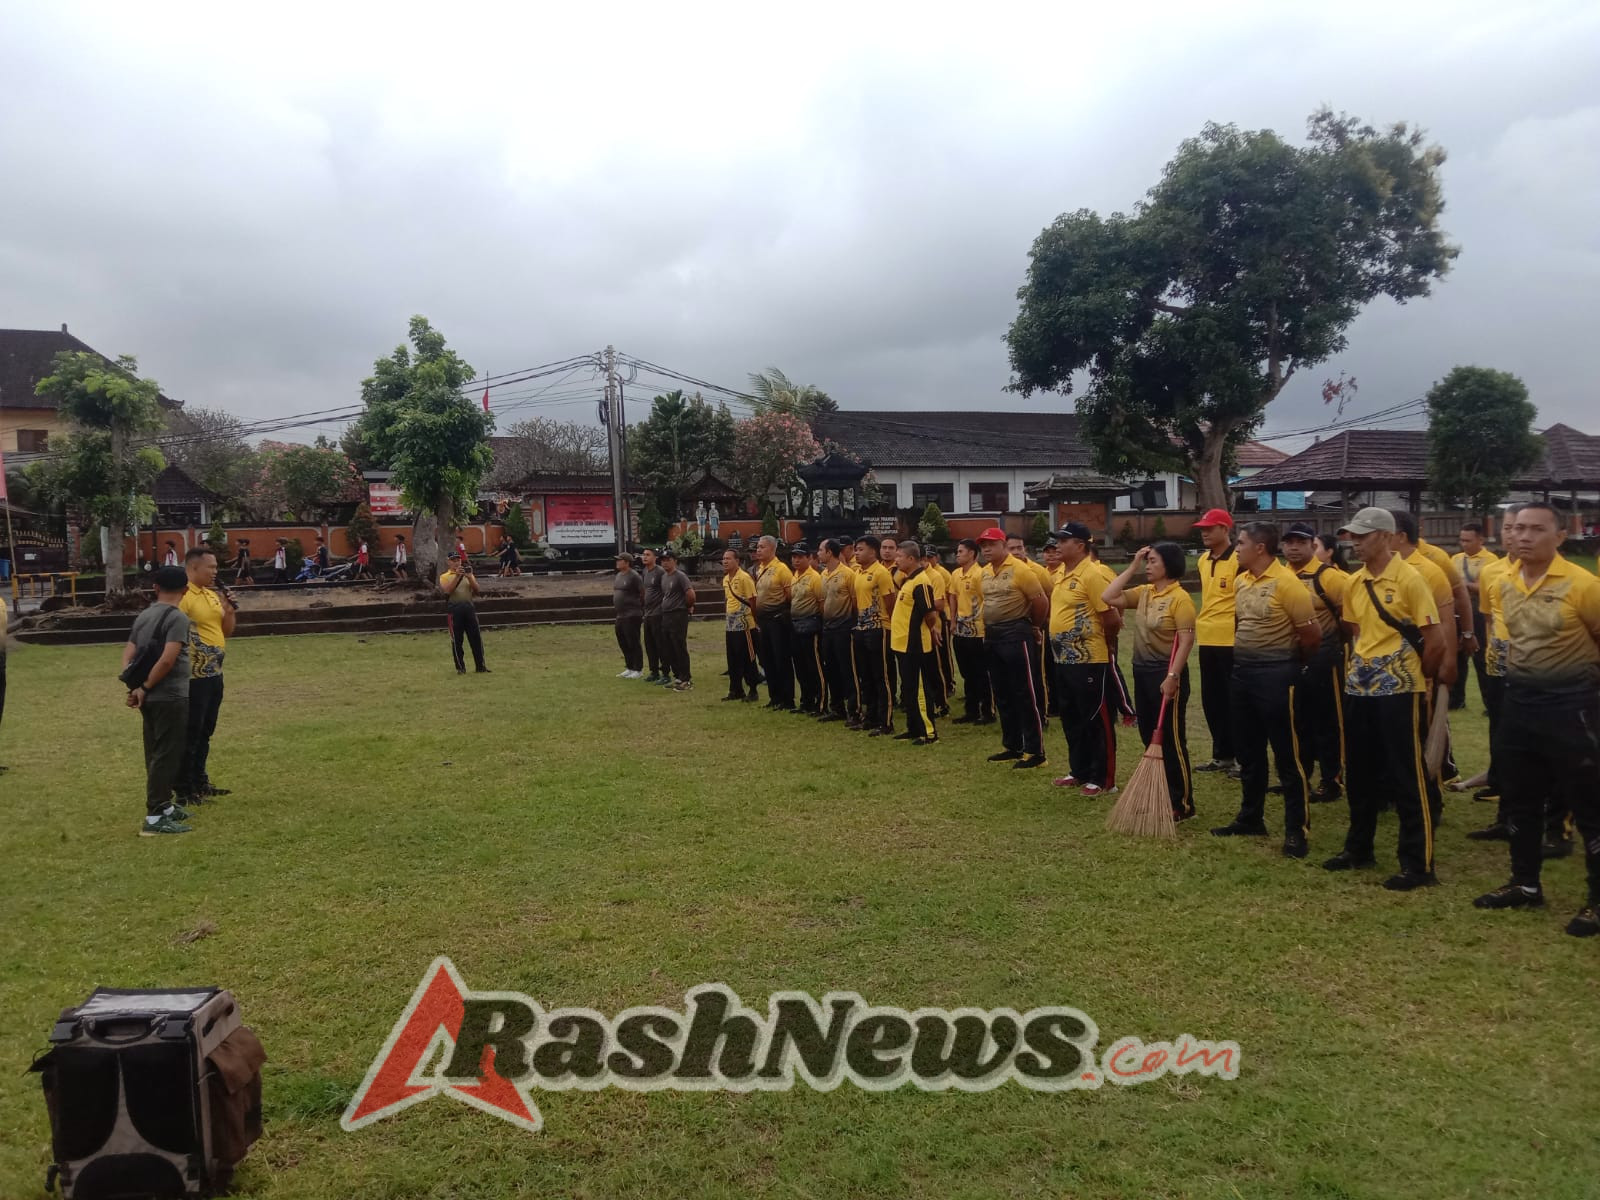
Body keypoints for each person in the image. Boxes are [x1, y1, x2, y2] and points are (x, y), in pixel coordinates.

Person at [1472, 502, 1600, 934]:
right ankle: (1525, 884)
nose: (1523, 536)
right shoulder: (1503, 580)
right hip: (1519, 704)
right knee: (1521, 800)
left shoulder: (1584, 586)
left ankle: (1596, 901)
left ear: (1560, 537)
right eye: (1518, 528)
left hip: (1573, 710)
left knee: (1589, 807)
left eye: (1536, 530)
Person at [1323, 508, 1446, 889]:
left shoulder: (1411, 579)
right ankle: (1359, 848)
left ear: (1387, 536)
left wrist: (1414, 675)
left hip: (1400, 688)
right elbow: (1358, 632)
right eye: (1352, 537)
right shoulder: (1355, 582)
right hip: (1361, 684)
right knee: (1359, 771)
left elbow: (1436, 640)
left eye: (1363, 536)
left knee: (1405, 773)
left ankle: (1418, 863)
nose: (1355, 543)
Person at [1211, 522, 1321, 858]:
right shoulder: (1242, 581)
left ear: (1260, 548)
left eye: (1241, 543)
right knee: (1249, 752)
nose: (1237, 548)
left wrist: (1290, 665)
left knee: (1287, 755)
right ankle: (1250, 817)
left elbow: (1312, 636)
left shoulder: (1287, 584)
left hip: (1277, 676)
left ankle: (1296, 830)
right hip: (1243, 674)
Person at [1103, 542, 1197, 820]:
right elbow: (1108, 595)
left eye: (1152, 561)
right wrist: (1132, 566)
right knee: (1148, 735)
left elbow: (1186, 641)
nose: (1147, 565)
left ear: (1168, 565)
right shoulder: (1144, 593)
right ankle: (1161, 793)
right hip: (1141, 671)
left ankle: (1182, 803)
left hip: (1165, 674)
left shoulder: (1180, 599)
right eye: (1147, 561)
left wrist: (1172, 677)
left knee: (1172, 739)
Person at [1046, 522, 1122, 796]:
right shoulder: (1061, 575)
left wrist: (1107, 643)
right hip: (1063, 660)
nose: (1057, 545)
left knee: (1095, 719)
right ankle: (1079, 769)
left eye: (1063, 541)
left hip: (1089, 659)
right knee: (1072, 718)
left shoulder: (1093, 574)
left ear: (1080, 544)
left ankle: (1103, 777)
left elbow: (1111, 617)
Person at [122, 566, 195, 836]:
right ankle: (154, 818)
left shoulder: (144, 615)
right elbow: (167, 658)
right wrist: (146, 685)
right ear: (186, 590)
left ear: (155, 587)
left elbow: (129, 651)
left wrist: (135, 686)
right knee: (166, 754)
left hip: (149, 694)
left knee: (155, 751)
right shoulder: (177, 618)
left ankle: (164, 806)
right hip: (169, 695)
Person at [1282, 521, 1348, 803]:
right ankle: (1300, 777)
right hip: (1291, 657)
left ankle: (1332, 780)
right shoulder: (1281, 576)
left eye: (1301, 542)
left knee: (1329, 721)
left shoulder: (1330, 577)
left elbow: (1350, 617)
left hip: (1325, 657)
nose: (1294, 547)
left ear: (1313, 545)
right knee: (1298, 720)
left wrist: (1333, 646)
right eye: (1289, 542)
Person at [980, 527, 1050, 769]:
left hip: (1016, 633)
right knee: (1002, 693)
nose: (986, 549)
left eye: (991, 544)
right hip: (992, 635)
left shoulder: (1021, 570)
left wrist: (1033, 626)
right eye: (983, 546)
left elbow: (1040, 601)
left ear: (1002, 545)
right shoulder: (985, 572)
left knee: (1025, 693)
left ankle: (1035, 751)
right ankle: (1012, 745)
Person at [175, 547, 237, 806]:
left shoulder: (212, 596)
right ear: (193, 568)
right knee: (191, 731)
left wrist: (229, 609)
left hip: (214, 673)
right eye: (210, 567)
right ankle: (184, 787)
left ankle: (200, 780)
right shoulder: (184, 596)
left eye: (215, 567)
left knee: (206, 730)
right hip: (193, 675)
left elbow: (226, 631)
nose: (215, 572)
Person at [1192, 509, 1240, 776]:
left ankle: (1243, 756)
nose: (1204, 533)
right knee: (1213, 700)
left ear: (1225, 529)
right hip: (1207, 637)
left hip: (1231, 639)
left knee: (1235, 700)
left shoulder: (1239, 560)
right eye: (1202, 528)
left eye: (1210, 528)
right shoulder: (1202, 560)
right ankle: (1222, 755)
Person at [889, 541, 941, 744]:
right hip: (902, 644)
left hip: (915, 645)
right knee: (909, 689)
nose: (896, 559)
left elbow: (929, 613)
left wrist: (932, 631)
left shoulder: (921, 582)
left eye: (899, 556)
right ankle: (913, 728)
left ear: (911, 559)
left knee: (920, 690)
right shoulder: (908, 581)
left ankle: (929, 732)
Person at [849, 536, 897, 735]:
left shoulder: (881, 573)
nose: (856, 553)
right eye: (856, 550)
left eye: (860, 549)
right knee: (865, 675)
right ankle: (870, 717)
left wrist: (887, 626)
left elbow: (891, 603)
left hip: (879, 628)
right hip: (861, 629)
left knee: (881, 676)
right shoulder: (858, 572)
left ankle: (885, 721)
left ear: (872, 551)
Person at [1449, 522, 1498, 710]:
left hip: (1478, 610)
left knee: (1481, 657)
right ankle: (1456, 700)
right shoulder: (1455, 559)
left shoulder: (1490, 559)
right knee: (1457, 656)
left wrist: (1461, 585)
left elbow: (1485, 588)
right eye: (1462, 540)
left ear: (1480, 540)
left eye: (1468, 540)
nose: (1464, 544)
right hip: (1457, 610)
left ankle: (1490, 703)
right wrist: (1466, 585)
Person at [1088, 539, 1137, 726]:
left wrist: (1118, 620)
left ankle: (1128, 710)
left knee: (1111, 670)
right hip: (1088, 635)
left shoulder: (1101, 572)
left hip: (1103, 630)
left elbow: (1117, 598)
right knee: (1104, 674)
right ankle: (1112, 711)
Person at [1006, 535, 1055, 719]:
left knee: (1036, 672)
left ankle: (1040, 713)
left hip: (1035, 627)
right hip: (1011, 630)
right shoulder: (1001, 570)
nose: (1017, 552)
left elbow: (1049, 597)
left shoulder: (1038, 571)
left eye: (1020, 547)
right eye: (1012, 548)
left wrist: (1040, 623)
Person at [948, 538, 993, 725]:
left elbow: (987, 601)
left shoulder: (980, 575)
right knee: (966, 673)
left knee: (981, 673)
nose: (957, 554)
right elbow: (953, 597)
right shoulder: (956, 574)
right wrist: (952, 620)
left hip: (978, 632)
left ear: (972, 554)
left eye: (961, 551)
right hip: (960, 630)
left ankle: (988, 711)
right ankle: (971, 710)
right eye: (957, 551)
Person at [816, 539, 858, 724]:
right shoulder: (823, 574)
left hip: (844, 627)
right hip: (828, 628)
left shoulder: (848, 574)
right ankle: (837, 707)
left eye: (820, 550)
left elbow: (855, 600)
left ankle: (854, 709)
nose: (818, 553)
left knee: (847, 669)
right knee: (830, 668)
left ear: (830, 552)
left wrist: (852, 623)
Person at [752, 535, 795, 711]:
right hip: (764, 621)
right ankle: (774, 696)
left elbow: (790, 595)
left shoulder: (781, 569)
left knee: (781, 659)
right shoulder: (760, 568)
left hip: (777, 619)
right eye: (757, 547)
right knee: (767, 660)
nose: (758, 550)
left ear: (772, 549)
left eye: (762, 547)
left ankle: (787, 699)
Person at [720, 548, 762, 701]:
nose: (725, 561)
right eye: (723, 558)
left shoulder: (744, 578)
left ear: (737, 561)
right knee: (732, 658)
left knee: (747, 657)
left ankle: (753, 689)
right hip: (731, 624)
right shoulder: (726, 579)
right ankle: (736, 689)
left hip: (744, 624)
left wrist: (755, 621)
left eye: (728, 558)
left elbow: (753, 600)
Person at [788, 545, 826, 716]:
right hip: (796, 625)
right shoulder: (795, 576)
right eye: (794, 557)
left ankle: (820, 701)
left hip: (810, 624)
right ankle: (806, 700)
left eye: (800, 557)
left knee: (813, 665)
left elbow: (821, 603)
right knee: (800, 666)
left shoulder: (814, 578)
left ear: (809, 558)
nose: (796, 560)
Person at [440, 552, 488, 674]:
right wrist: (457, 576)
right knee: (457, 640)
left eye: (458, 560)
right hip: (454, 609)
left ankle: (480, 666)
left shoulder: (468, 574)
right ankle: (461, 667)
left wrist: (470, 576)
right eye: (453, 560)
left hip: (469, 608)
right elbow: (447, 591)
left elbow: (477, 590)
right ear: (448, 562)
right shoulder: (445, 576)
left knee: (476, 638)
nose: (456, 562)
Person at [657, 548, 696, 692]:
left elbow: (690, 594)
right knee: (669, 648)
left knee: (679, 646)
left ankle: (686, 678)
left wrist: (687, 606)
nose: (665, 563)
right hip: (666, 615)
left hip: (678, 614)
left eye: (668, 560)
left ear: (675, 561)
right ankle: (678, 676)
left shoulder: (680, 576)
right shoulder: (664, 577)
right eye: (663, 560)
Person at [922, 547, 956, 705]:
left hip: (941, 616)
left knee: (943, 655)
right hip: (926, 620)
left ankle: (949, 684)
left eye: (930, 557)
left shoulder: (940, 574)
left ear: (936, 557)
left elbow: (947, 597)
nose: (928, 560)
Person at [613, 553, 645, 678]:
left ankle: (638, 668)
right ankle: (629, 666)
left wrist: (637, 607)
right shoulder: (618, 575)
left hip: (632, 614)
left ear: (627, 562)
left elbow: (642, 593)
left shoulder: (634, 576)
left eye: (619, 560)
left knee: (633, 641)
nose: (617, 562)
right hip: (620, 614)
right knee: (623, 641)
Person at [639, 548, 668, 683]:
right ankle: (654, 671)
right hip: (648, 614)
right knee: (649, 644)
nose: (644, 557)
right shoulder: (645, 572)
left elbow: (666, 591)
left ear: (655, 557)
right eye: (643, 555)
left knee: (661, 644)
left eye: (648, 555)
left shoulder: (660, 572)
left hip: (658, 614)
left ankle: (666, 673)